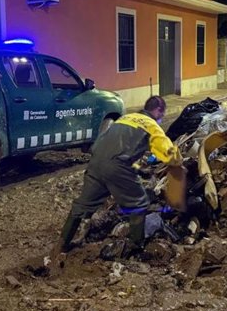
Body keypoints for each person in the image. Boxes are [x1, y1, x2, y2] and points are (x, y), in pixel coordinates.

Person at [54, 96, 183, 260]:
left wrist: (136, 167)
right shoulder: (151, 125)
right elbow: (169, 156)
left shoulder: (125, 118)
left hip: (95, 162)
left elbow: (108, 143)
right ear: (158, 110)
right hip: (116, 166)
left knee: (82, 205)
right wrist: (179, 159)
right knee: (139, 203)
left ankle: (61, 245)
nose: (161, 117)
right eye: (161, 114)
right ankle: (135, 247)